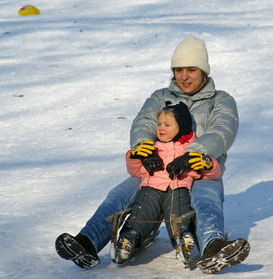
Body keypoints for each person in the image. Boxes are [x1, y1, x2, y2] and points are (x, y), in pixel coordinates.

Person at [55, 36, 250, 274]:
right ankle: (87, 243)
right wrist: (143, 148)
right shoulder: (160, 96)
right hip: (156, 170)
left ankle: (213, 247)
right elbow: (144, 121)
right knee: (118, 195)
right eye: (178, 70)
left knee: (206, 199)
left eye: (191, 69)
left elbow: (222, 131)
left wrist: (193, 154)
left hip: (198, 172)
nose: (184, 76)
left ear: (204, 72)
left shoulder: (221, 100)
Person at [115, 101, 222, 264]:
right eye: (159, 124)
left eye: (167, 124)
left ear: (182, 126)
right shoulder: (153, 148)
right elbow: (136, 172)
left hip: (178, 188)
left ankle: (183, 237)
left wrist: (210, 165)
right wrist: (134, 156)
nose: (160, 128)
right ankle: (129, 236)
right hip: (151, 188)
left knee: (178, 213)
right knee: (142, 211)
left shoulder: (192, 150)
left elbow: (208, 175)